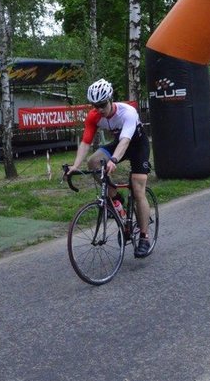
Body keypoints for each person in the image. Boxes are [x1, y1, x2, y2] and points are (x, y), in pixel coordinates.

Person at [65, 79, 154, 258]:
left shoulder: (127, 112)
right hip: (118, 143)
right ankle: (116, 199)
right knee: (93, 162)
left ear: (110, 99)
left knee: (138, 190)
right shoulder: (94, 116)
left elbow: (126, 141)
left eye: (102, 104)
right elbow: (85, 142)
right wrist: (75, 165)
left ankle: (144, 237)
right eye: (95, 105)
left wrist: (114, 160)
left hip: (137, 146)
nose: (99, 109)